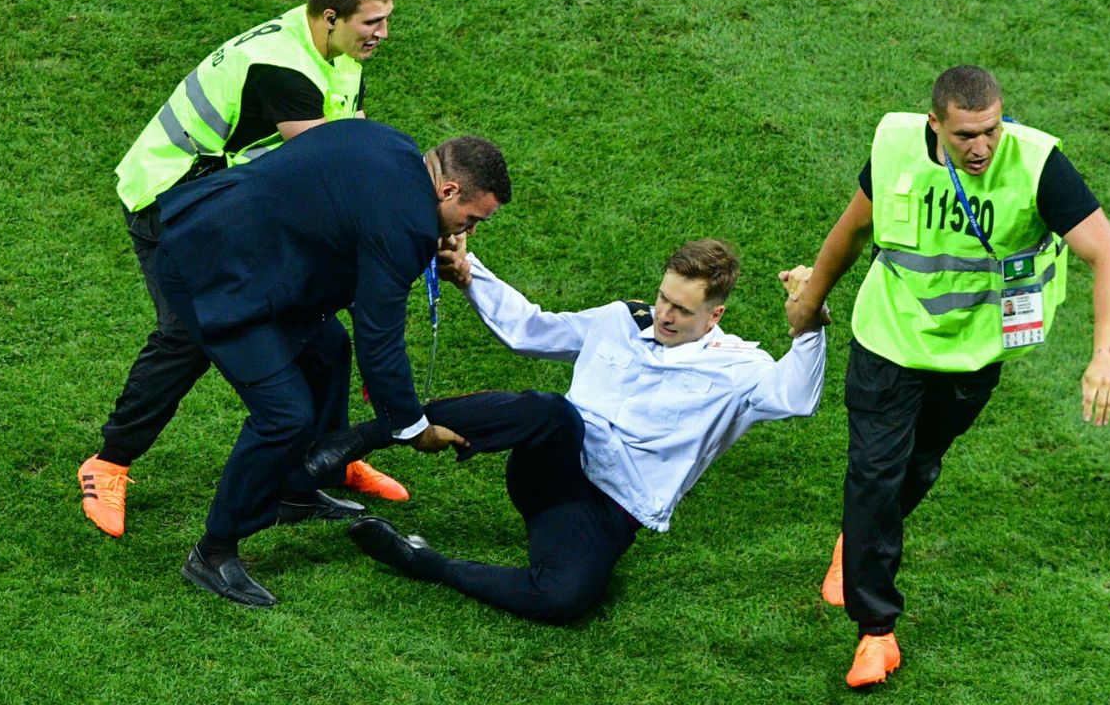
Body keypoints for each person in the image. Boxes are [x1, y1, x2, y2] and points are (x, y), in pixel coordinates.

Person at [784, 65, 1110, 687]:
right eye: (966, 135)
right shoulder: (894, 143)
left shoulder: (1038, 163)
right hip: (888, 339)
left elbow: (1108, 255)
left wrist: (1105, 353)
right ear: (935, 124)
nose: (981, 148)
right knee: (874, 473)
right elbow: (854, 226)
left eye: (991, 131)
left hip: (974, 355)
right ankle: (876, 632)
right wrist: (811, 300)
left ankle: (857, 541)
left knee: (918, 465)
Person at [313, 239, 827, 623]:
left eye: (682, 310)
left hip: (604, 510)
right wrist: (470, 274)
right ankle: (365, 437)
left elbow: (797, 398)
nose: (665, 315)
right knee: (551, 412)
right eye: (664, 298)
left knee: (564, 600)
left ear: (715, 315)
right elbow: (530, 330)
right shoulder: (623, 319)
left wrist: (809, 326)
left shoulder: (738, 369)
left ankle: (421, 560)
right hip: (553, 465)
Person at [78, 0, 408, 539]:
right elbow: (328, 168)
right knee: (187, 337)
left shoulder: (341, 55)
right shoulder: (282, 66)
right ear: (331, 17)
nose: (382, 33)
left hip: (228, 206)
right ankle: (108, 463)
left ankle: (327, 456)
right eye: (372, 21)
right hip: (169, 204)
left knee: (320, 335)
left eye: (386, 20)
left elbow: (354, 157)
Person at [156, 118, 512, 606]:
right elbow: (379, 337)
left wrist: (433, 242)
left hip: (238, 244)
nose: (467, 231)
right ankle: (214, 549)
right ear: (448, 189)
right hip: (215, 274)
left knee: (329, 352)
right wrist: (410, 427)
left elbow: (352, 216)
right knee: (284, 415)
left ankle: (297, 488)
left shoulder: (392, 145)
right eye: (470, 219)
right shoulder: (407, 221)